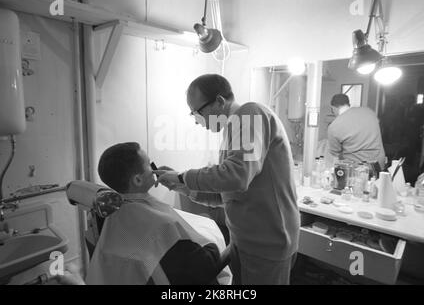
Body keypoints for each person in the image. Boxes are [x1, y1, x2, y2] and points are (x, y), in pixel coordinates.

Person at [155, 74, 300, 285]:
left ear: (220, 101)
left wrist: (183, 176)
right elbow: (228, 194)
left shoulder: (251, 113)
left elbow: (237, 175)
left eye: (198, 112)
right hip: (244, 240)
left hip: (268, 242)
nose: (197, 120)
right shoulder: (233, 130)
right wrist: (181, 185)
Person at [80, 142, 225, 285]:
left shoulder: (108, 215)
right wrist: (213, 245)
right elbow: (205, 267)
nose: (154, 168)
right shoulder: (164, 226)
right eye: (149, 164)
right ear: (137, 180)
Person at [328, 93, 386, 170]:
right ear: (349, 104)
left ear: (333, 108)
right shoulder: (369, 112)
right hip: (378, 165)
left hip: (357, 170)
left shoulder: (334, 126)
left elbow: (335, 154)